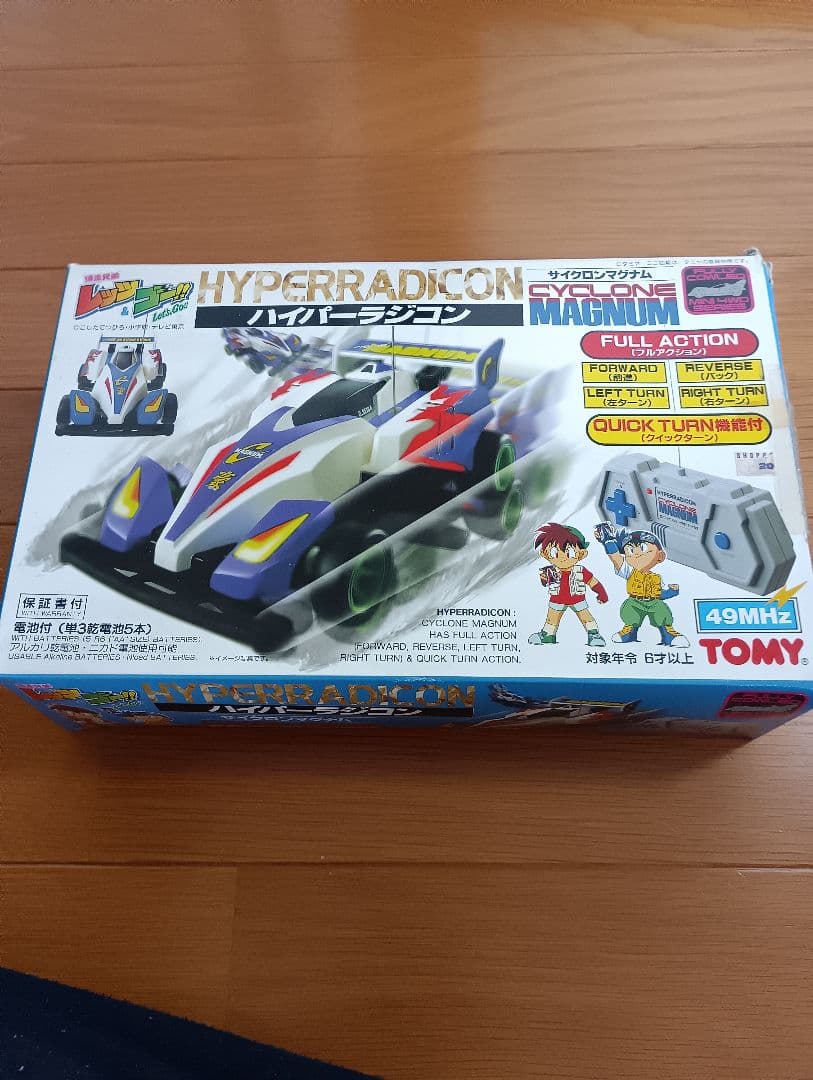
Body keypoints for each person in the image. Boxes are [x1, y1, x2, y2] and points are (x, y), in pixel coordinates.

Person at [594, 524, 689, 646]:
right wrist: (608, 541)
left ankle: (668, 634)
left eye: (643, 548)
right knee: (630, 612)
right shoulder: (629, 571)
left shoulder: (657, 578)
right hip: (635, 601)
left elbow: (660, 594)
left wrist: (672, 591)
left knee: (662, 611)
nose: (636, 554)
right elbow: (616, 558)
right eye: (630, 551)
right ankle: (629, 632)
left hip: (654, 602)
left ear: (660, 556)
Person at [528, 522, 607, 646]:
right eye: (554, 553)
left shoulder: (580, 570)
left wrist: (601, 594)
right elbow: (546, 582)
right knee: (552, 619)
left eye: (569, 553)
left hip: (577, 599)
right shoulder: (551, 570)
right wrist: (544, 579)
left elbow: (593, 582)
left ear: (581, 554)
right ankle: (548, 635)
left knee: (586, 617)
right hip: (557, 599)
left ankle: (593, 634)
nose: (562, 557)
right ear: (545, 554)